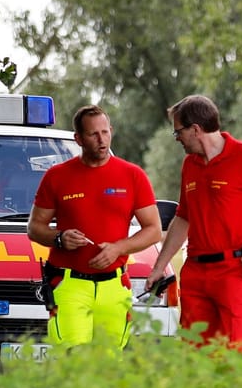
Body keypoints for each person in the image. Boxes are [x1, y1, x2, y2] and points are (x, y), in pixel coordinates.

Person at [147, 94, 242, 348]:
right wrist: (159, 266)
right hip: (195, 273)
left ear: (195, 129)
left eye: (178, 132)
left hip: (234, 271)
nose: (177, 139)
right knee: (195, 354)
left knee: (236, 352)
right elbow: (183, 218)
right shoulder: (190, 165)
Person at [28, 106, 162, 349]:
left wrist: (118, 248)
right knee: (74, 363)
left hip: (115, 285)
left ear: (111, 131)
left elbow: (153, 229)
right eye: (93, 135)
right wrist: (59, 238)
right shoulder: (57, 176)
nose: (102, 140)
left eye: (105, 132)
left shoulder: (133, 175)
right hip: (70, 284)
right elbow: (34, 228)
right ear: (78, 138)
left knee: (108, 367)